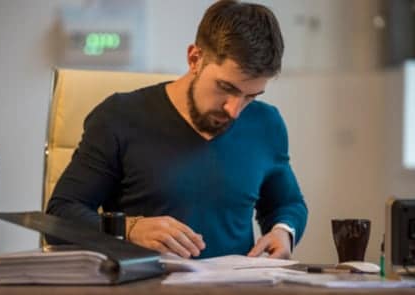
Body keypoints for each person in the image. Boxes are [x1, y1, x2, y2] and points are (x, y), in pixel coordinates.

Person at [46, 0, 308, 260]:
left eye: (251, 96)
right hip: (144, 287)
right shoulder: (119, 117)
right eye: (226, 88)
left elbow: (287, 204)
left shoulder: (266, 124)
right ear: (195, 58)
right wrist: (129, 229)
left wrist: (283, 231)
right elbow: (59, 217)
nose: (234, 110)